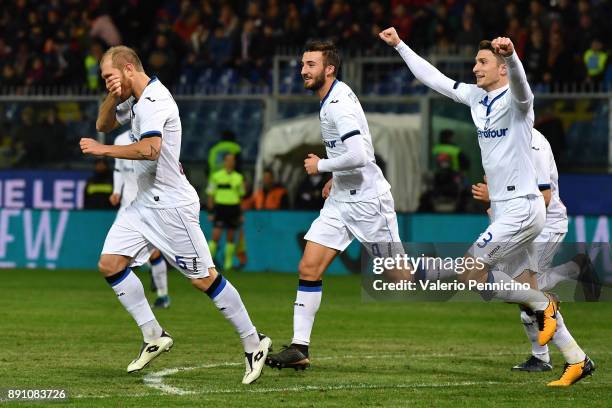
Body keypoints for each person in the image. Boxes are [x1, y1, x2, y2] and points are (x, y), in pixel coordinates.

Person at [379, 28, 568, 384]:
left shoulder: (517, 104)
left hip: (527, 209)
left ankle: (542, 313)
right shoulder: (475, 99)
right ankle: (564, 348)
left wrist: (512, 57)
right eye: (475, 62)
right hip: (510, 208)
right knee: (490, 279)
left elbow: (525, 91)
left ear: (500, 70)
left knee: (482, 274)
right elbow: (434, 79)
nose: (474, 68)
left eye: (482, 62)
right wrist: (401, 45)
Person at [79, 45, 271, 384]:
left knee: (203, 279)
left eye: (110, 76)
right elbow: (102, 122)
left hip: (171, 206)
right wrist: (112, 94)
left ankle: (254, 343)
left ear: (127, 68)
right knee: (110, 264)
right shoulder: (135, 100)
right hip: (143, 205)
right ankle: (154, 334)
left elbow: (151, 149)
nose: (107, 83)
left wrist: (104, 151)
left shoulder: (155, 101)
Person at [265, 41, 403, 370]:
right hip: (342, 200)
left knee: (402, 278)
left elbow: (361, 156)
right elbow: (350, 156)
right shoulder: (330, 99)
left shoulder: (338, 104)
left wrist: (322, 167)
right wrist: (336, 178)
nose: (303, 70)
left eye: (310, 64)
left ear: (329, 69)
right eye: (302, 64)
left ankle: (483, 277)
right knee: (308, 267)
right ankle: (300, 348)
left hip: (370, 202)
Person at [472, 128, 596, 386]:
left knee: (525, 292)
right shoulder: (501, 142)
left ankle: (557, 357)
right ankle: (565, 357)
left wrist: (494, 196)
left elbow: (545, 198)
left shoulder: (534, 143)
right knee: (526, 294)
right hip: (520, 224)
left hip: (543, 225)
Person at [111, 130, 170, 309]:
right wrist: (116, 191)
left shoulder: (156, 139)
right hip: (126, 206)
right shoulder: (120, 139)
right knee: (113, 255)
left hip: (148, 206)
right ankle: (133, 296)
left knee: (154, 253)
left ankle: (162, 295)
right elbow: (118, 169)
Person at [207, 153, 245, 271]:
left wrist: (241, 214)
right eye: (228, 160)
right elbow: (210, 195)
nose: (230, 162)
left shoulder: (239, 177)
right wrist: (211, 212)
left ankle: (228, 265)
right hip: (220, 208)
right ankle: (208, 263)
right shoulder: (216, 176)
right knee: (215, 237)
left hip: (233, 208)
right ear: (224, 162)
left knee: (230, 237)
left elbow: (241, 197)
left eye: (232, 160)